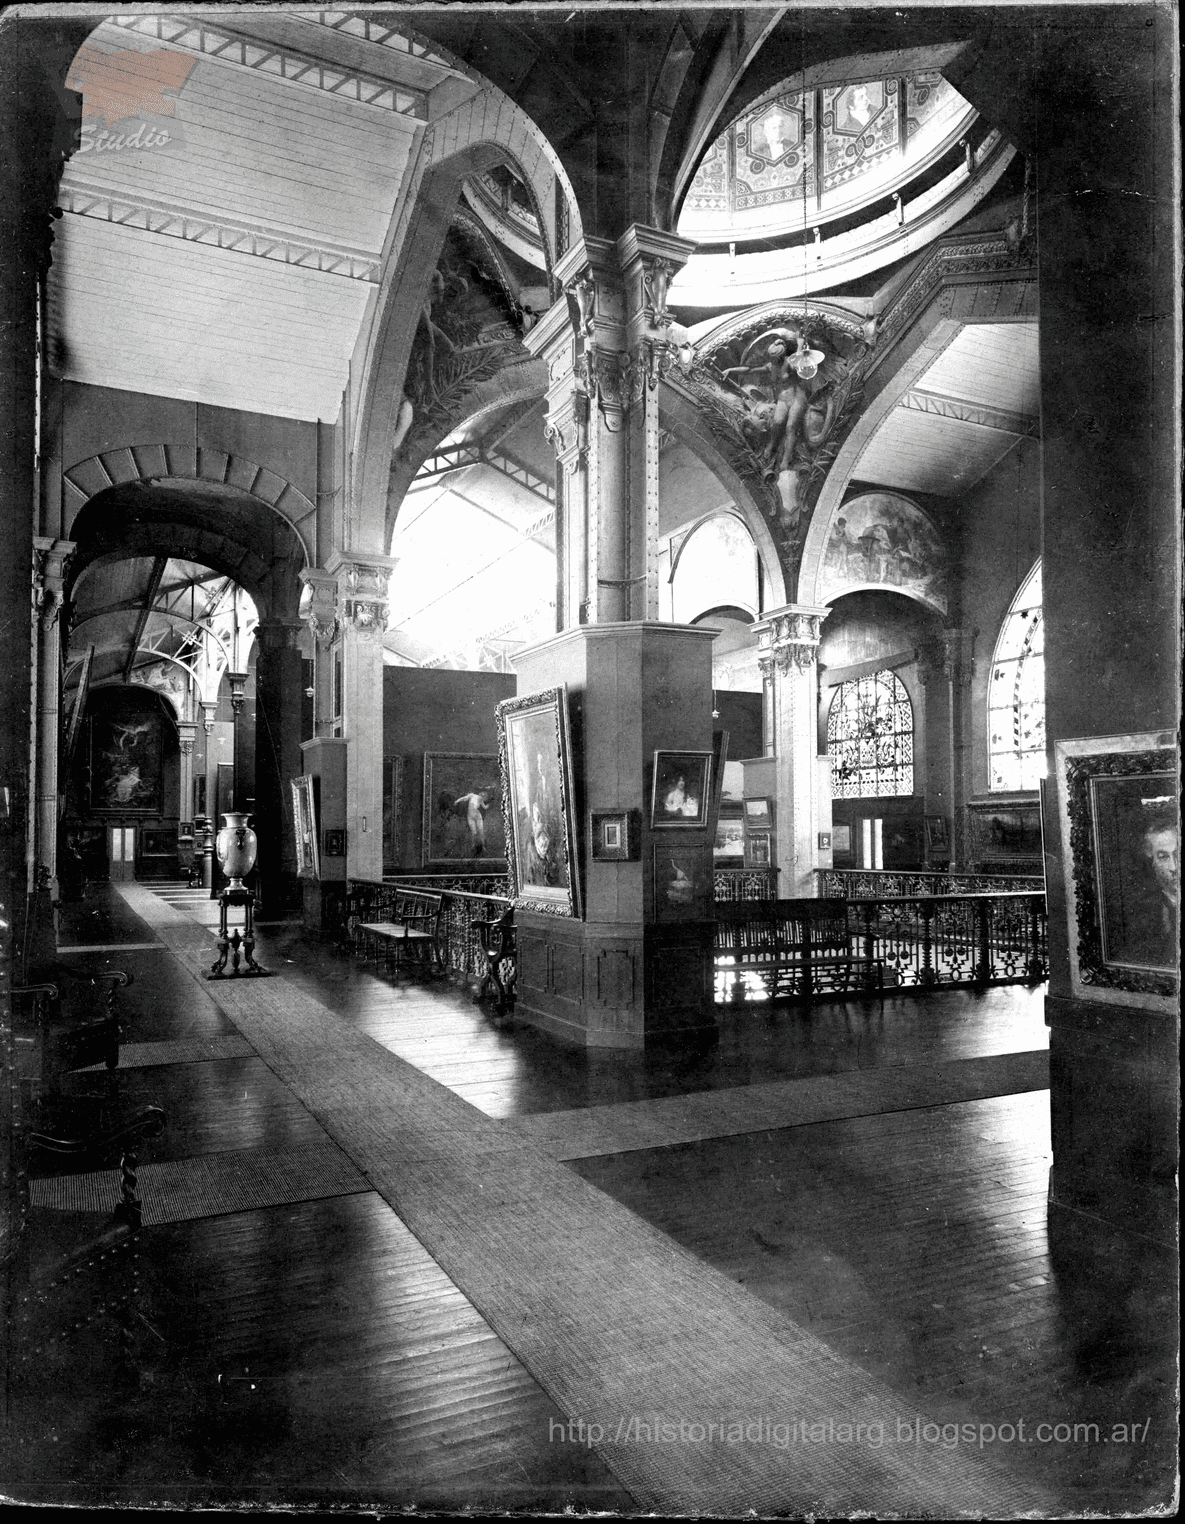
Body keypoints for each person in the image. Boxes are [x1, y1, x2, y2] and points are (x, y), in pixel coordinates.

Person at [1120, 804, 1178, 970]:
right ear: (1151, 860)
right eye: (1163, 857)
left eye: (1178, 854)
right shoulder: (1143, 912)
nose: (1174, 867)